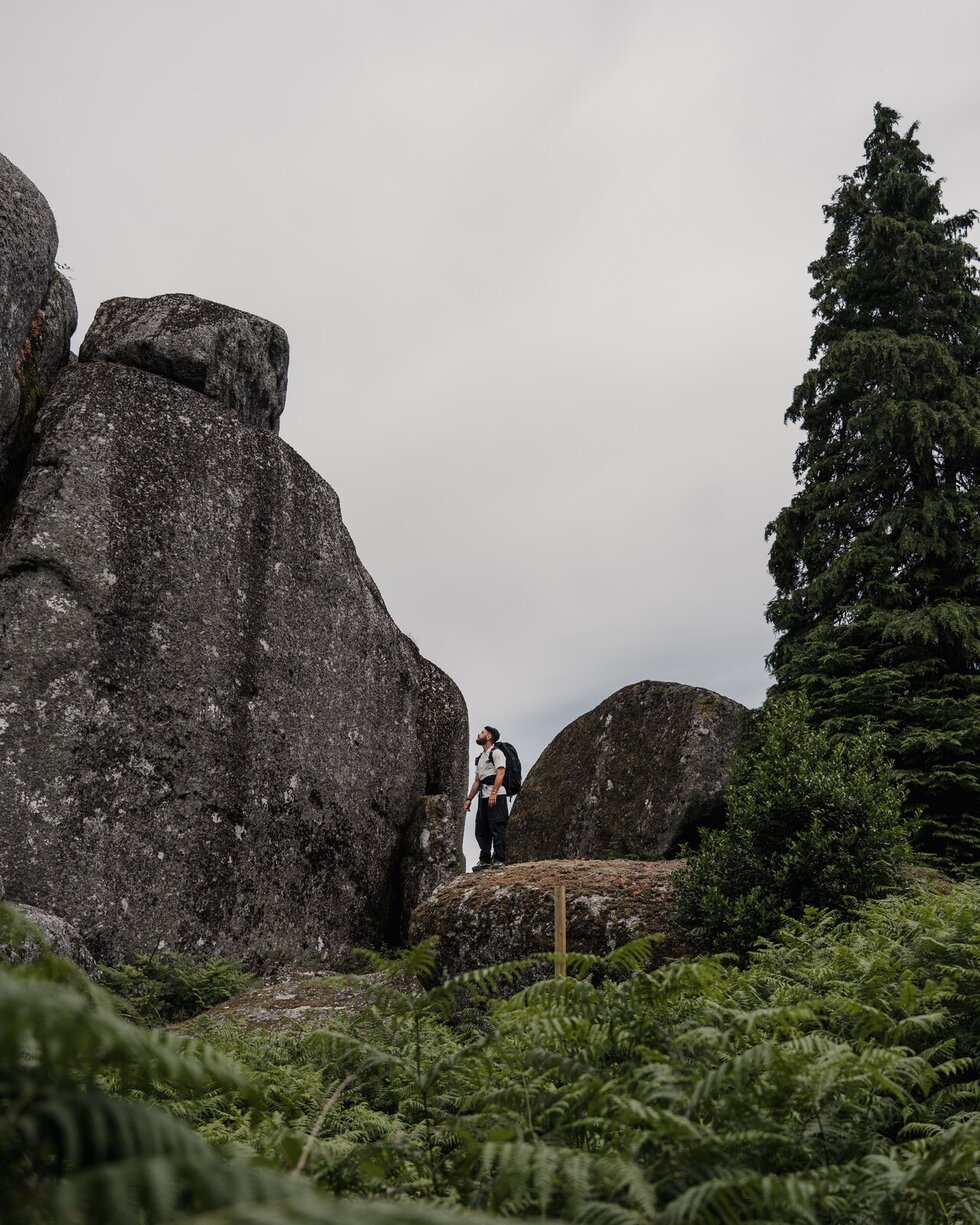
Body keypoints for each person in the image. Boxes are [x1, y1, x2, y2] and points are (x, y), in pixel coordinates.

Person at [463, 725, 508, 870]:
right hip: (483, 796)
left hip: (496, 795)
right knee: (481, 828)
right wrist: (469, 799)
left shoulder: (497, 753)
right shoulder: (481, 758)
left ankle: (500, 859)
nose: (479, 734)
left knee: (497, 826)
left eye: (482, 732)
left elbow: (501, 773)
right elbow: (477, 781)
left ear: (489, 737)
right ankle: (484, 860)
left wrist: (494, 793)